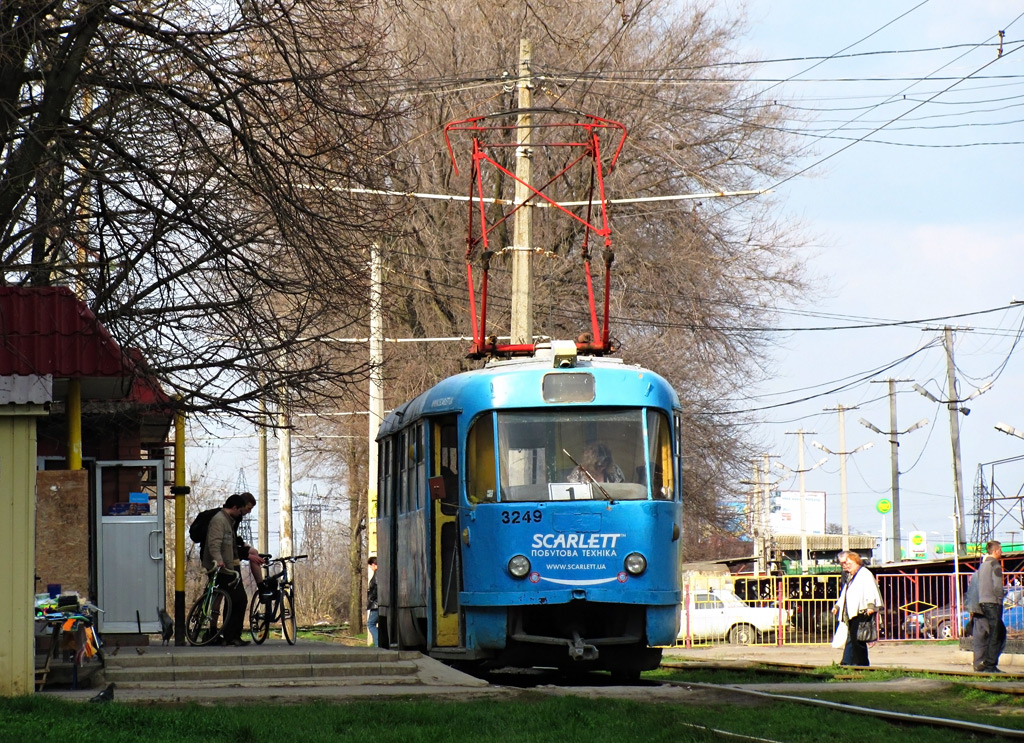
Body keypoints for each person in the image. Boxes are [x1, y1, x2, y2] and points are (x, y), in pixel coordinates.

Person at [200, 494, 254, 646]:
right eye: (241, 509)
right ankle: (229, 635)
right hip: (221, 568)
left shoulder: (228, 521)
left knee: (232, 599)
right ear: (235, 508)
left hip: (228, 565)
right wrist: (218, 560)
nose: (242, 513)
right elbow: (214, 543)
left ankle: (227, 634)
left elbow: (230, 543)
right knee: (238, 599)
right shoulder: (219, 521)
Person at [831, 551, 883, 666]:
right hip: (852, 612)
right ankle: (848, 662)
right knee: (853, 638)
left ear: (855, 561)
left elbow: (870, 590)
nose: (844, 565)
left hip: (863, 611)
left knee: (858, 639)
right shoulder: (852, 576)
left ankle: (862, 664)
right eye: (842, 564)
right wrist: (837, 606)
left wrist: (870, 605)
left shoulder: (864, 574)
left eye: (846, 562)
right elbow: (845, 593)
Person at [971, 540, 1006, 673]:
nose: (1001, 552)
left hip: (982, 602)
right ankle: (990, 665)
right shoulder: (995, 565)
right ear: (996, 551)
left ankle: (986, 663)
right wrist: (1000, 598)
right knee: (997, 633)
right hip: (993, 602)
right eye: (1000, 550)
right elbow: (997, 585)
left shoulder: (983, 565)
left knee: (993, 632)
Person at [367, 556, 379, 647]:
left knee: (371, 624)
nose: (370, 568)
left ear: (374, 565)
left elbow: (375, 589)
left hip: (376, 604)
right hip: (378, 603)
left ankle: (377, 644)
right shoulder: (381, 573)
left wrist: (371, 599)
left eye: (371, 566)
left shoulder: (377, 574)